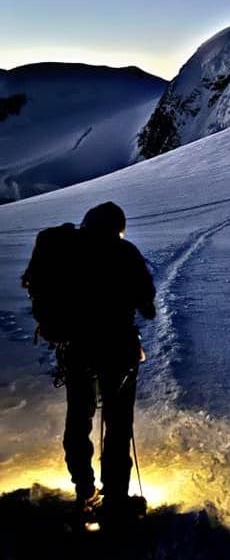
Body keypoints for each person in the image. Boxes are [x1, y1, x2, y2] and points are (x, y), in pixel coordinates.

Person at [22, 201, 156, 522]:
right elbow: (147, 305)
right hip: (117, 351)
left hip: (78, 350)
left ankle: (85, 492)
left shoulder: (65, 251)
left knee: (78, 421)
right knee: (118, 424)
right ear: (117, 228)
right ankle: (116, 501)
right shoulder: (126, 253)